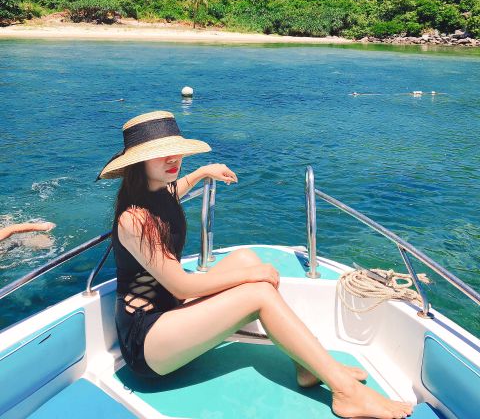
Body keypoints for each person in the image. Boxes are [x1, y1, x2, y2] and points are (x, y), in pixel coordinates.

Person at [97, 110, 412, 419]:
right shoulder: (133, 219)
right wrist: (251, 276)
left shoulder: (159, 192)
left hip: (171, 313)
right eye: (160, 154)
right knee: (257, 291)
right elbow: (182, 286)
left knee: (246, 257)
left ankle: (307, 365)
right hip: (147, 340)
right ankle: (346, 392)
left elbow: (176, 191)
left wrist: (202, 173)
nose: (173, 159)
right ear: (138, 163)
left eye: (176, 150)